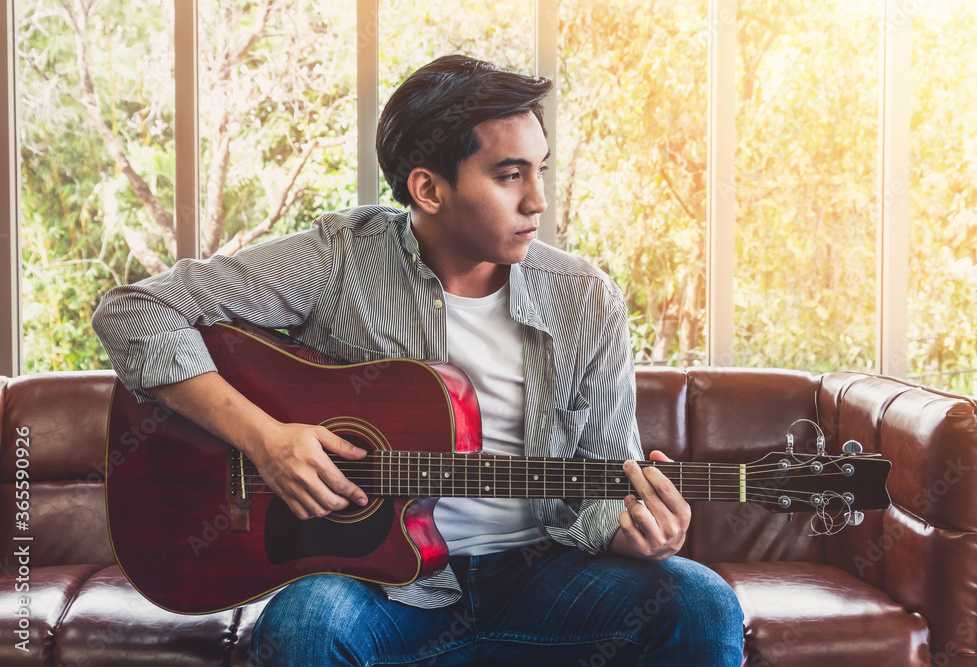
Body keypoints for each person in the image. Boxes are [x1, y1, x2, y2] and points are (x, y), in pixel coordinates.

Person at [93, 54, 743, 666]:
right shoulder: (339, 257)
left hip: (544, 575)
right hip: (386, 590)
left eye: (541, 169)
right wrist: (264, 440)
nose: (538, 200)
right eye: (510, 174)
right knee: (303, 626)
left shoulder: (585, 298)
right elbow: (131, 311)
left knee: (700, 602)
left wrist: (634, 529)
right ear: (428, 189)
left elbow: (606, 478)